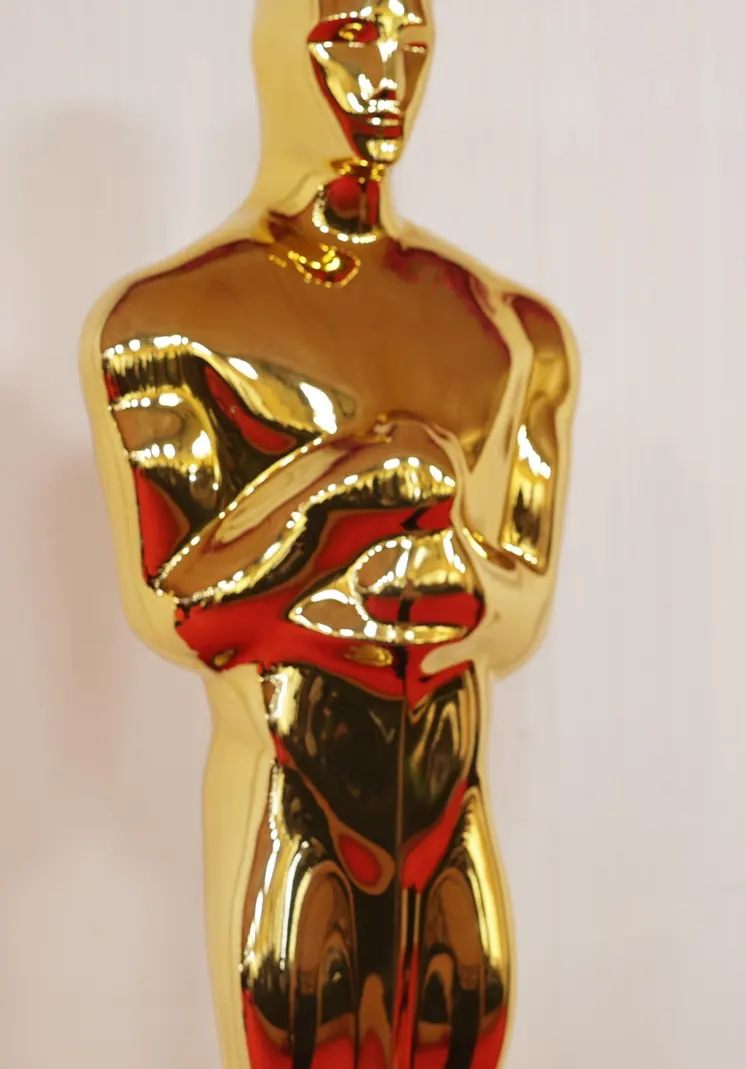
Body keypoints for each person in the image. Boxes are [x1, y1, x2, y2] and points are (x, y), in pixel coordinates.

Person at [76, 1, 576, 1065]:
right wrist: (346, 494)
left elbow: (522, 614)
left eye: (412, 42)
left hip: (451, 811)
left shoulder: (506, 328)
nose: (385, 70)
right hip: (289, 794)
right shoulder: (170, 325)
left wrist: (458, 577)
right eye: (348, 37)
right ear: (276, 50)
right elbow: (176, 610)